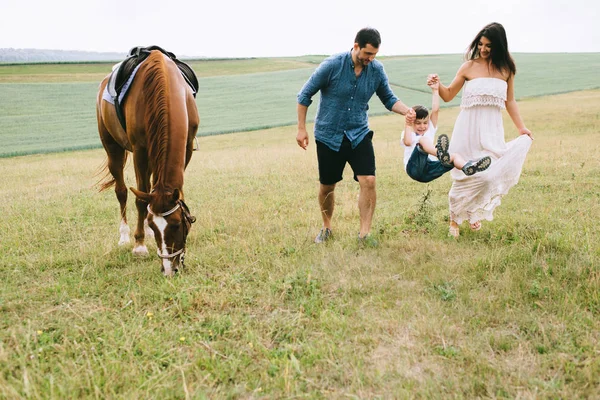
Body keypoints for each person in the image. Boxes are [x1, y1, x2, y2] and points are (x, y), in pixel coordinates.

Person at [296, 27, 412, 244]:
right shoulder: (332, 65)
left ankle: (364, 234)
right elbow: (304, 95)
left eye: (374, 55)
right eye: (367, 54)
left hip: (359, 133)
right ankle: (327, 227)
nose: (370, 59)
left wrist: (407, 111)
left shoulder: (376, 70)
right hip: (329, 134)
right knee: (328, 185)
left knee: (368, 180)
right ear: (356, 46)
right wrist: (301, 128)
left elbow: (388, 98)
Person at [428, 22, 533, 238]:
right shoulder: (468, 67)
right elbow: (448, 95)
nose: (483, 49)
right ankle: (454, 219)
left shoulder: (507, 70)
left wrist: (522, 128)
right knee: (464, 174)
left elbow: (510, 101)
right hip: (468, 128)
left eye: (489, 46)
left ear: (500, 47)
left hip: (492, 130)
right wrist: (437, 86)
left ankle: (472, 210)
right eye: (481, 44)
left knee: (489, 175)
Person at [401, 79, 492, 183]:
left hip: (428, 172)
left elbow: (435, 110)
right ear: (412, 123)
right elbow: (407, 142)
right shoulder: (409, 133)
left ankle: (467, 167)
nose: (422, 126)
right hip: (414, 169)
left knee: (454, 156)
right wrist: (408, 123)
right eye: (418, 123)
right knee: (422, 141)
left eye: (425, 123)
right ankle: (440, 154)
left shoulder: (429, 130)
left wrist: (435, 90)